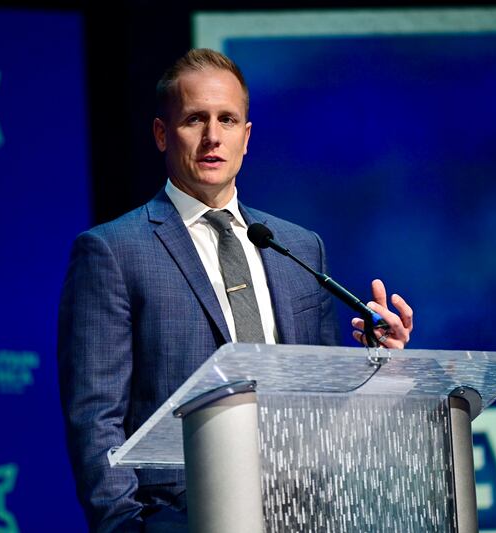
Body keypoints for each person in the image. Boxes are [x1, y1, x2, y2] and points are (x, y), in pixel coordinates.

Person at [58, 48, 413, 532]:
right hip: (180, 519)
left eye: (227, 120)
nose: (212, 136)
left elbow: (325, 405)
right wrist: (127, 527)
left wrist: (380, 363)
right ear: (162, 134)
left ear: (245, 137)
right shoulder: (113, 251)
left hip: (300, 514)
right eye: (195, 119)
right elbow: (96, 417)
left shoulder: (298, 247)